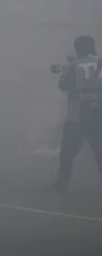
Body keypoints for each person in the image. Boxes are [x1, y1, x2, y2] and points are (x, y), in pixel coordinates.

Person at [51, 35, 102, 192]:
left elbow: (63, 85)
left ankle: (61, 184)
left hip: (78, 115)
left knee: (67, 152)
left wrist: (67, 67)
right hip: (99, 114)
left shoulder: (74, 65)